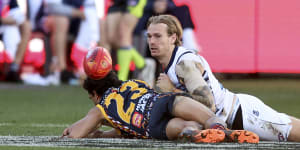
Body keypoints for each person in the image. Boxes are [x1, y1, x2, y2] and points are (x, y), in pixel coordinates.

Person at [146, 14, 300, 142]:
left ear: (173, 38)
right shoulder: (170, 63)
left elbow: (208, 103)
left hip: (243, 116)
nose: (152, 41)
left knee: (294, 133)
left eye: (158, 36)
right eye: (149, 36)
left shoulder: (184, 64)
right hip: (228, 121)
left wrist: (172, 91)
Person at [62, 69, 259, 143]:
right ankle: (224, 131)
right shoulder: (133, 83)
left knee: (183, 128)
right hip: (160, 102)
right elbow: (124, 128)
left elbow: (76, 134)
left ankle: (194, 134)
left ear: (96, 94)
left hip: (150, 126)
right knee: (205, 117)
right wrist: (103, 134)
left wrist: (73, 129)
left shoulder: (102, 107)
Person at [103, 0, 147, 81]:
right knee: (112, 38)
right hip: (118, 3)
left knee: (123, 35)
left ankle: (121, 78)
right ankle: (142, 63)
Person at [1, 0, 31, 82]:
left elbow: (17, 15)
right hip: (3, 22)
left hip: (5, 26)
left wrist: (7, 20)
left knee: (26, 26)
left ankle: (13, 68)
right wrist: (2, 20)